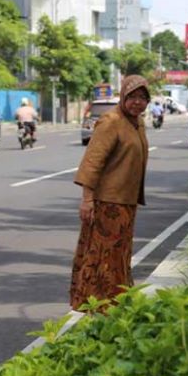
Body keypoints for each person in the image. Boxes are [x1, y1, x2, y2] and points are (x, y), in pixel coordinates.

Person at [70, 75, 151, 312]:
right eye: (132, 97)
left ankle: (117, 301)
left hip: (125, 202)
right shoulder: (111, 121)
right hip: (107, 202)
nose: (137, 102)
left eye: (142, 98)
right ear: (124, 96)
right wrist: (87, 200)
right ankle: (99, 304)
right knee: (103, 256)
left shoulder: (137, 122)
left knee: (119, 255)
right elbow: (92, 161)